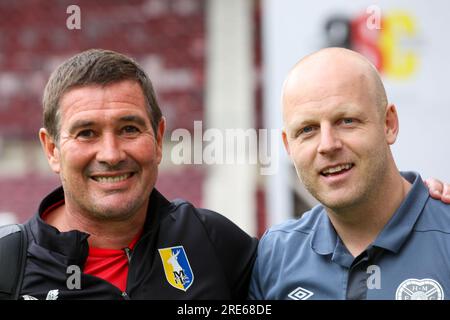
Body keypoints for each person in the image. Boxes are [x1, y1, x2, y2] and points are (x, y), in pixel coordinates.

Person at [0, 49, 257, 300]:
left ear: (158, 139)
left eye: (129, 129)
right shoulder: (7, 265)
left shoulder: (213, 241)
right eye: (87, 133)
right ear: (52, 149)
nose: (111, 155)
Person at [249, 47, 450, 300]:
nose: (327, 145)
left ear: (389, 124)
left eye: (346, 121)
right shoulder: (275, 254)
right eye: (307, 129)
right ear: (288, 146)